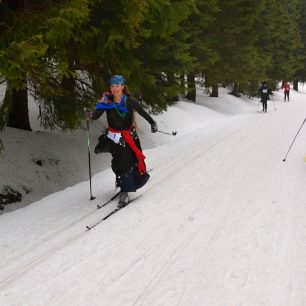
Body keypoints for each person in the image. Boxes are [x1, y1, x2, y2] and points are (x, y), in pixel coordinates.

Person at [85, 75, 157, 207]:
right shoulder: (106, 102)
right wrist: (89, 115)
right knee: (117, 162)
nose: (115, 89)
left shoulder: (130, 101)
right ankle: (122, 182)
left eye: (118, 86)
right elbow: (95, 116)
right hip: (114, 138)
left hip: (128, 138)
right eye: (112, 86)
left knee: (126, 162)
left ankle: (125, 190)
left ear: (123, 86)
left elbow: (142, 112)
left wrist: (153, 123)